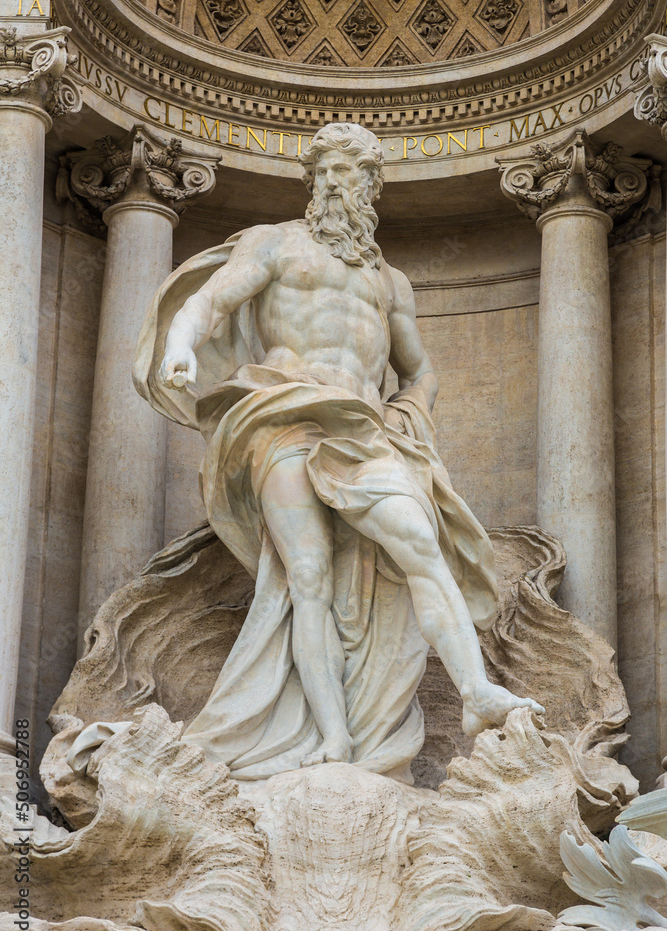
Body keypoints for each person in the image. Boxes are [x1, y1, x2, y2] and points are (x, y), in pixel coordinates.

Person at [134, 121, 543, 782]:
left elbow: (420, 371)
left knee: (419, 542)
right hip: (281, 417)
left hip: (364, 428)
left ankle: (474, 693)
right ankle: (332, 740)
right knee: (309, 577)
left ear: (371, 186)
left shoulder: (390, 283)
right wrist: (180, 345)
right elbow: (209, 303)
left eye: (346, 172)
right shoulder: (275, 245)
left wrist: (410, 418)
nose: (331, 183)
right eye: (322, 171)